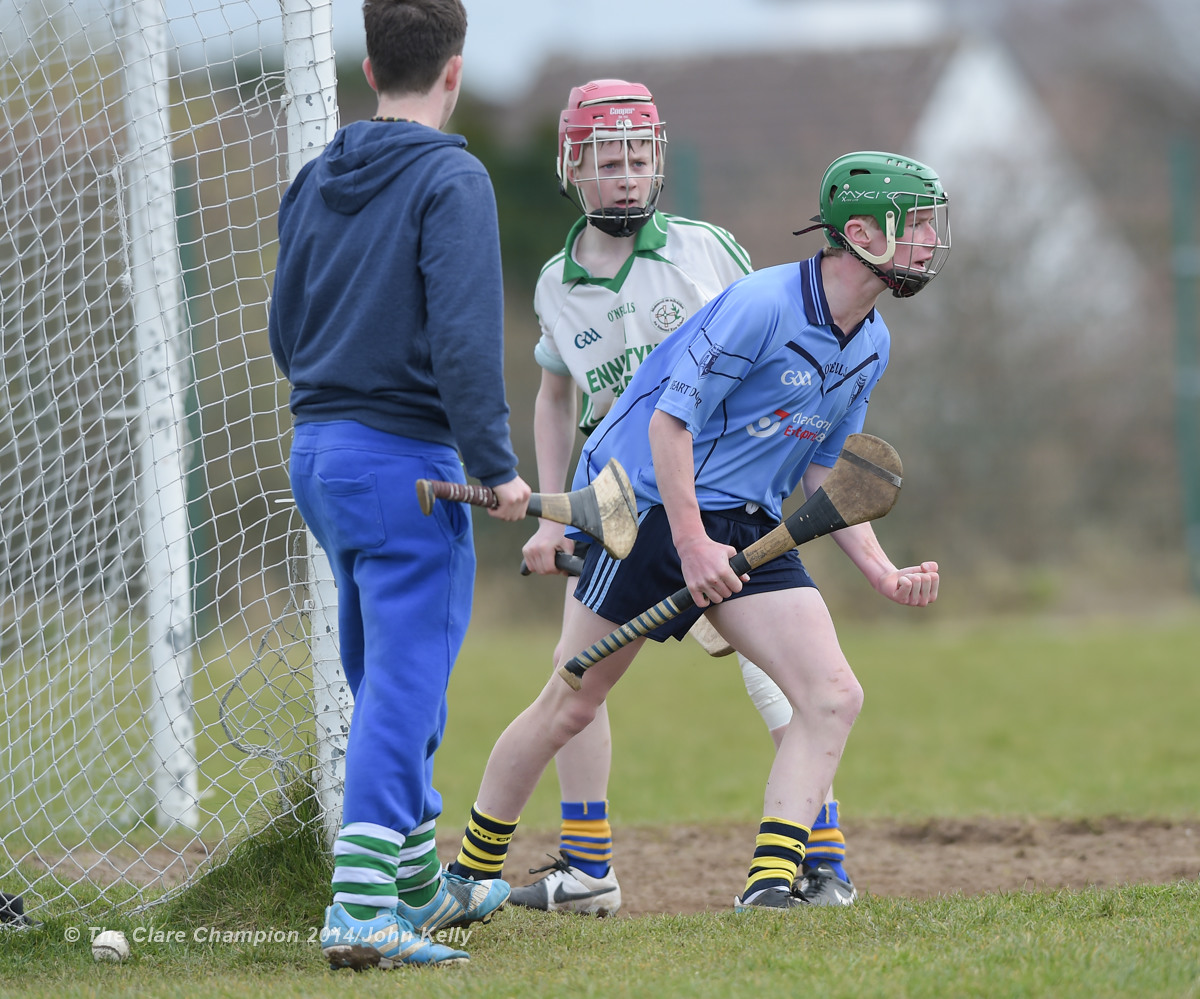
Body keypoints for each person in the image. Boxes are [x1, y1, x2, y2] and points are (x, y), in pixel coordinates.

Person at [448, 150, 947, 911]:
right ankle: (468, 873)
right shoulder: (763, 304)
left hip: (743, 519)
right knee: (572, 699)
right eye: (913, 227)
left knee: (833, 694)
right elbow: (668, 422)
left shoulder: (870, 343)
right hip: (641, 505)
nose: (926, 243)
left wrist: (883, 572)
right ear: (859, 232)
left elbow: (825, 472)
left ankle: (772, 886)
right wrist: (689, 544)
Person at [499, 79, 857, 914]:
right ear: (571, 168)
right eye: (606, 161)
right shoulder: (556, 279)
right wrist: (557, 505)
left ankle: (820, 858)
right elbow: (557, 396)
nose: (625, 176)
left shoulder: (705, 248)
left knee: (772, 662)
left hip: (717, 489)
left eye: (638, 158)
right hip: (617, 499)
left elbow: (776, 342)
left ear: (658, 161)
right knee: (574, 674)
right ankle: (588, 869)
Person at [267, 0, 531, 970]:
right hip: (404, 467)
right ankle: (359, 907)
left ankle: (420, 884)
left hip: (320, 457)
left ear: (370, 69)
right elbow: (464, 343)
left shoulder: (314, 176)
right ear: (453, 72)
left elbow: (283, 331)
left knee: (380, 669)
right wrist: (496, 468)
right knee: (403, 687)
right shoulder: (451, 177)